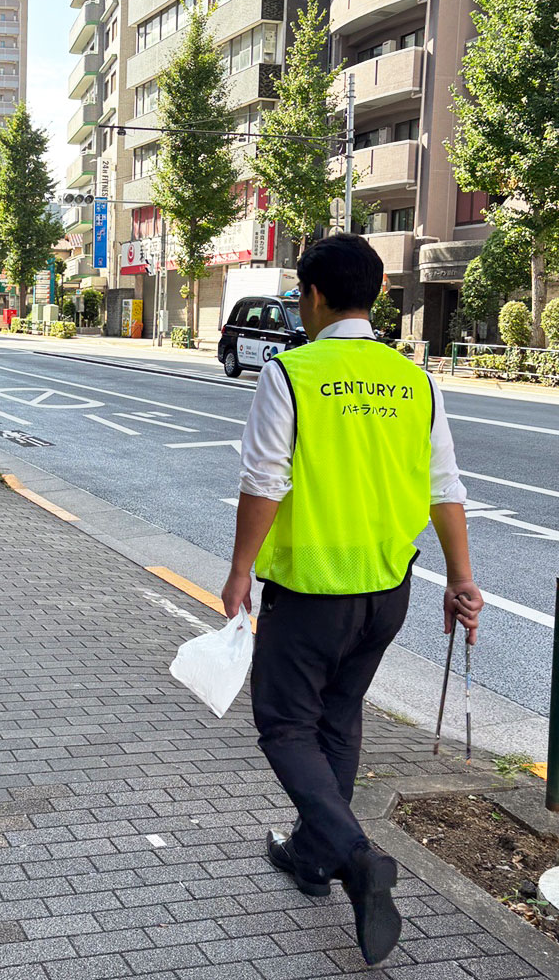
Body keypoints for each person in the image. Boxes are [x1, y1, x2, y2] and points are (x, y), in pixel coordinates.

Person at [221, 234, 483, 967]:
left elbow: (265, 479)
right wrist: (462, 580)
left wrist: (241, 568)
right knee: (338, 717)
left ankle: (357, 856)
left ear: (312, 295)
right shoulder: (415, 381)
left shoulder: (293, 373)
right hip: (387, 593)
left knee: (283, 723)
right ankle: (311, 857)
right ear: (373, 297)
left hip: (310, 592)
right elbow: (445, 488)